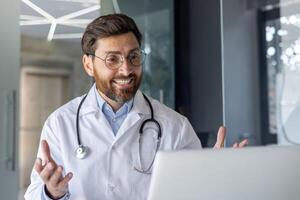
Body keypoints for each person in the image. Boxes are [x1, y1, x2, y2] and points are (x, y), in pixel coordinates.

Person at [24, 14, 248, 200]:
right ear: (88, 64)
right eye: (112, 59)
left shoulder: (175, 127)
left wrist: (217, 177)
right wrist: (51, 192)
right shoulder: (60, 123)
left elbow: (196, 193)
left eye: (133, 57)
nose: (126, 70)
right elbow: (34, 194)